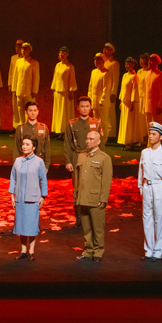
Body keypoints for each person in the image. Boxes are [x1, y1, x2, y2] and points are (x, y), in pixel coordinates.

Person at [139, 122, 162, 261]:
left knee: (159, 220)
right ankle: (148, 251)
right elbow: (141, 172)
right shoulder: (144, 152)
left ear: (160, 137)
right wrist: (141, 188)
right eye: (150, 134)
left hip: (159, 187)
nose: (150, 136)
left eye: (154, 134)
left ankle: (157, 251)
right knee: (147, 219)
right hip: (147, 187)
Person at [64, 96, 104, 228]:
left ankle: (91, 217)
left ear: (90, 107)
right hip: (78, 158)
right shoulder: (72, 124)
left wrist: (102, 161)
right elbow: (67, 144)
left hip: (93, 158)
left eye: (87, 106)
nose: (85, 109)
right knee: (78, 189)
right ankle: (79, 218)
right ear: (78, 108)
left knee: (93, 188)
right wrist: (68, 161)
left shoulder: (96, 123)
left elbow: (101, 144)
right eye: (82, 106)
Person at [74, 130, 112, 262]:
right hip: (83, 197)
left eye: (91, 139)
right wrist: (76, 195)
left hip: (96, 199)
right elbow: (77, 178)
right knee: (87, 228)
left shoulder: (104, 158)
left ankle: (98, 252)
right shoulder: (81, 156)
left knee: (97, 228)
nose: (88, 141)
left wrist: (103, 199)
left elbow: (106, 181)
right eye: (87, 138)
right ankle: (88, 251)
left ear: (98, 141)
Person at [9, 136, 48, 261]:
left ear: (34, 147)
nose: (24, 147)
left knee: (31, 226)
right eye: (23, 144)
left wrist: (43, 196)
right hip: (20, 198)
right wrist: (12, 194)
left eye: (27, 144)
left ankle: (31, 251)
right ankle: (23, 250)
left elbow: (43, 180)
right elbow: (13, 178)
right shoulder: (18, 161)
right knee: (21, 225)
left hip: (33, 198)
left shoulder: (39, 161)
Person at [14, 101, 51, 170]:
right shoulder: (21, 128)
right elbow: (16, 148)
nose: (33, 113)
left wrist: (46, 165)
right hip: (24, 163)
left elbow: (47, 148)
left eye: (35, 110)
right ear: (26, 112)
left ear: (38, 112)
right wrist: (17, 166)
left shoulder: (44, 128)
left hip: (40, 163)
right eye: (30, 110)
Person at [50, 46, 77, 135]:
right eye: (60, 53)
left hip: (65, 92)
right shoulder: (57, 65)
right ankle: (59, 131)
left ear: (67, 54)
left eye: (64, 53)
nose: (62, 54)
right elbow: (55, 78)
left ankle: (66, 131)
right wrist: (54, 89)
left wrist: (71, 90)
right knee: (58, 112)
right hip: (58, 91)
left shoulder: (70, 66)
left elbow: (72, 79)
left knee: (65, 112)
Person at [12, 42, 39, 128]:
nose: (23, 51)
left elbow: (36, 78)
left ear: (29, 50)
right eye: (22, 49)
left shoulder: (34, 62)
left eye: (26, 49)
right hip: (19, 90)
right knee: (20, 109)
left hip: (29, 91)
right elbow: (15, 76)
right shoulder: (18, 62)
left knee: (30, 110)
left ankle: (30, 127)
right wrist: (14, 89)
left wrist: (34, 90)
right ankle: (21, 126)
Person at [117, 57, 141, 150]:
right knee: (124, 121)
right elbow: (122, 89)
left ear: (133, 65)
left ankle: (130, 142)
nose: (126, 66)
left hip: (130, 102)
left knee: (129, 122)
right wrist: (121, 101)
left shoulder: (134, 76)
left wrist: (132, 102)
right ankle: (124, 141)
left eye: (128, 64)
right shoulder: (125, 75)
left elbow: (135, 90)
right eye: (126, 64)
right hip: (124, 101)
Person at [88, 53, 113, 139]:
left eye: (98, 60)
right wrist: (90, 98)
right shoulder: (93, 72)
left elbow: (106, 88)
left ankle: (103, 138)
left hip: (103, 103)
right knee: (95, 121)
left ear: (103, 61)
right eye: (95, 60)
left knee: (103, 121)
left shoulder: (106, 73)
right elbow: (90, 86)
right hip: (94, 101)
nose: (96, 62)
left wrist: (102, 100)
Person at [143, 54, 162, 132]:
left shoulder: (160, 75)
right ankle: (150, 140)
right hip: (148, 105)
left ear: (157, 62)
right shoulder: (147, 74)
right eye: (149, 60)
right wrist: (144, 104)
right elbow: (145, 90)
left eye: (152, 61)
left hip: (156, 105)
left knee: (156, 126)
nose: (150, 62)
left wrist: (160, 105)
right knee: (149, 126)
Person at [102, 43, 121, 141]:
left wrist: (114, 92)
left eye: (108, 50)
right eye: (105, 49)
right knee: (105, 113)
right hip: (103, 91)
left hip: (110, 91)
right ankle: (106, 132)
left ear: (112, 52)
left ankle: (112, 133)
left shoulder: (114, 64)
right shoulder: (104, 63)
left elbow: (115, 79)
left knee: (110, 113)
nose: (106, 51)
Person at [7, 39, 25, 127]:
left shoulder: (26, 60)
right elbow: (11, 71)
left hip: (23, 86)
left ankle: (24, 124)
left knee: (23, 106)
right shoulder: (13, 58)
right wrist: (10, 84)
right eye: (17, 46)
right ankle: (16, 126)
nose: (18, 48)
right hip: (15, 85)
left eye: (20, 46)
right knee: (15, 106)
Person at [135, 53, 151, 145]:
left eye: (143, 59)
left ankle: (148, 138)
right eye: (140, 59)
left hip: (146, 97)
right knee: (140, 119)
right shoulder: (139, 72)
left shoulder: (150, 71)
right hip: (139, 97)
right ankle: (142, 138)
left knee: (146, 119)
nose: (141, 61)